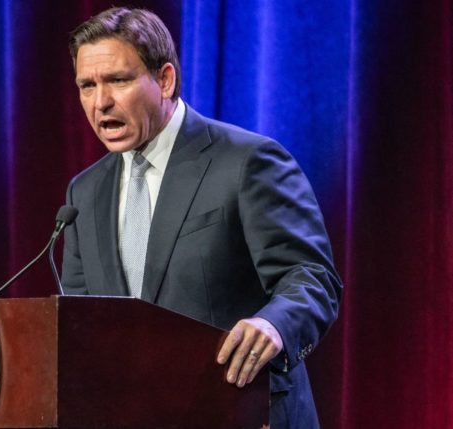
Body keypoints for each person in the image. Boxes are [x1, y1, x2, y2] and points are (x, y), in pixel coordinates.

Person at [61, 7, 342, 428]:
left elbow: (311, 277)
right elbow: (80, 324)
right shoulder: (83, 193)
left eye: (118, 80)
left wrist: (274, 325)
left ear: (165, 80)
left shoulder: (246, 162)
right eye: (87, 85)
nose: (101, 102)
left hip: (244, 412)